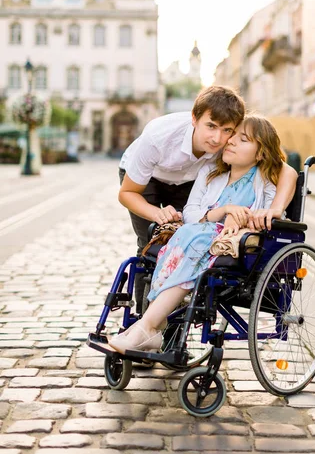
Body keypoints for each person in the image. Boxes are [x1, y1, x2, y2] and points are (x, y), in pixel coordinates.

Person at [110, 114, 294, 354]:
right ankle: (151, 327)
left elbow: (288, 173)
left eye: (243, 139)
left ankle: (147, 327)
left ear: (260, 153)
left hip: (229, 244)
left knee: (193, 242)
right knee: (180, 238)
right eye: (233, 136)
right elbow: (191, 213)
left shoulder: (264, 180)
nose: (230, 142)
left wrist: (271, 211)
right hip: (197, 233)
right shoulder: (211, 171)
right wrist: (223, 211)